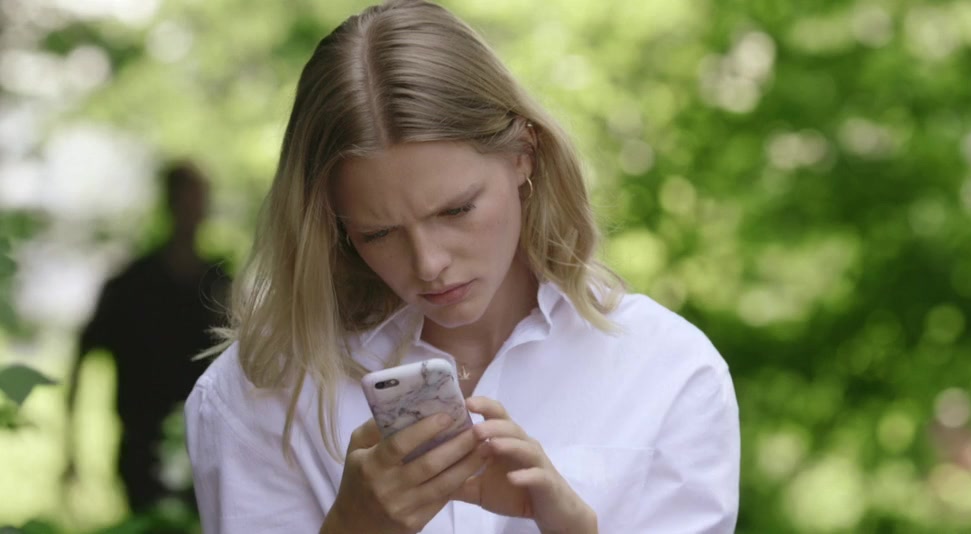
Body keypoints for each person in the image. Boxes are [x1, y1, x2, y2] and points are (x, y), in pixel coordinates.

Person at [183, 1, 739, 533]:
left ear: (523, 154)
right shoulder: (258, 393)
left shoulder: (669, 372)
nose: (429, 264)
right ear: (332, 223)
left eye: (456, 210)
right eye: (378, 233)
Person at [68, 160, 231, 514]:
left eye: (200, 200)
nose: (195, 210)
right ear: (170, 203)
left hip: (208, 445)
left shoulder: (218, 284)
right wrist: (70, 449)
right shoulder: (131, 285)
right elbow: (83, 355)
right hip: (143, 447)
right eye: (188, 200)